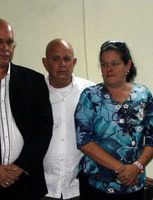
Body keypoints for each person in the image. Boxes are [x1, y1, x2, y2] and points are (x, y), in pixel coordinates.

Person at [0, 18, 53, 200]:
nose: (5, 48)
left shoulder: (34, 81)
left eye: (9, 42)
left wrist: (21, 166)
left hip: (26, 182)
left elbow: (44, 129)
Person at [74, 40, 153, 200]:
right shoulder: (90, 96)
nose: (108, 69)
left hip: (133, 184)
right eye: (104, 64)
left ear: (128, 65)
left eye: (115, 63)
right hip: (96, 185)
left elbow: (151, 138)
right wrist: (124, 170)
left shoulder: (143, 95)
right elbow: (84, 141)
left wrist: (137, 167)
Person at [41, 39, 94, 200]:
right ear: (45, 63)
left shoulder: (90, 92)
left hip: (79, 188)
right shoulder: (35, 93)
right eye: (55, 59)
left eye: (67, 59)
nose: (62, 64)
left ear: (74, 62)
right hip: (43, 188)